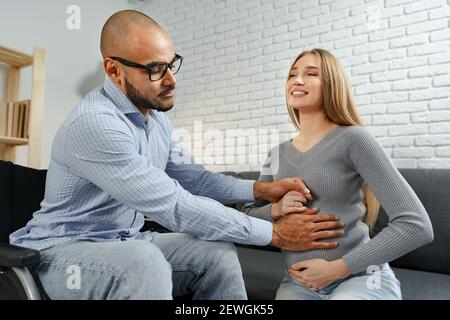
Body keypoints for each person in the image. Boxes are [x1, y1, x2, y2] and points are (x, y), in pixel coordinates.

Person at [9, 12, 344, 300]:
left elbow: (194, 180)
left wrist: (257, 190)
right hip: (60, 254)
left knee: (215, 252)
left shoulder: (156, 121)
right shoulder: (96, 124)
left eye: (171, 64)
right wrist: (275, 234)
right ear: (113, 70)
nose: (171, 80)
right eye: (155, 69)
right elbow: (175, 206)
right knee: (142, 260)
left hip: (127, 239)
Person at [242, 48, 434, 300]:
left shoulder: (353, 139)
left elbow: (417, 225)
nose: (297, 80)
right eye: (292, 75)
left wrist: (336, 269)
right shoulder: (276, 153)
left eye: (311, 74)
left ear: (332, 84)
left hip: (362, 277)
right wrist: (276, 210)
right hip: (299, 283)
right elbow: (246, 218)